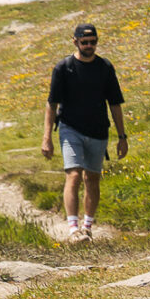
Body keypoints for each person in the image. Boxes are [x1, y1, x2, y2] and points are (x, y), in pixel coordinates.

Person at [41, 22, 127, 240]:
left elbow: (115, 103)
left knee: (93, 178)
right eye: (85, 42)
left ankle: (87, 225)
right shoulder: (64, 68)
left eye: (93, 42)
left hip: (99, 130)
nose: (89, 46)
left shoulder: (105, 67)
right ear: (75, 42)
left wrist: (122, 137)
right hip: (70, 128)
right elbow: (52, 104)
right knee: (74, 174)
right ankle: (73, 228)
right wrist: (47, 138)